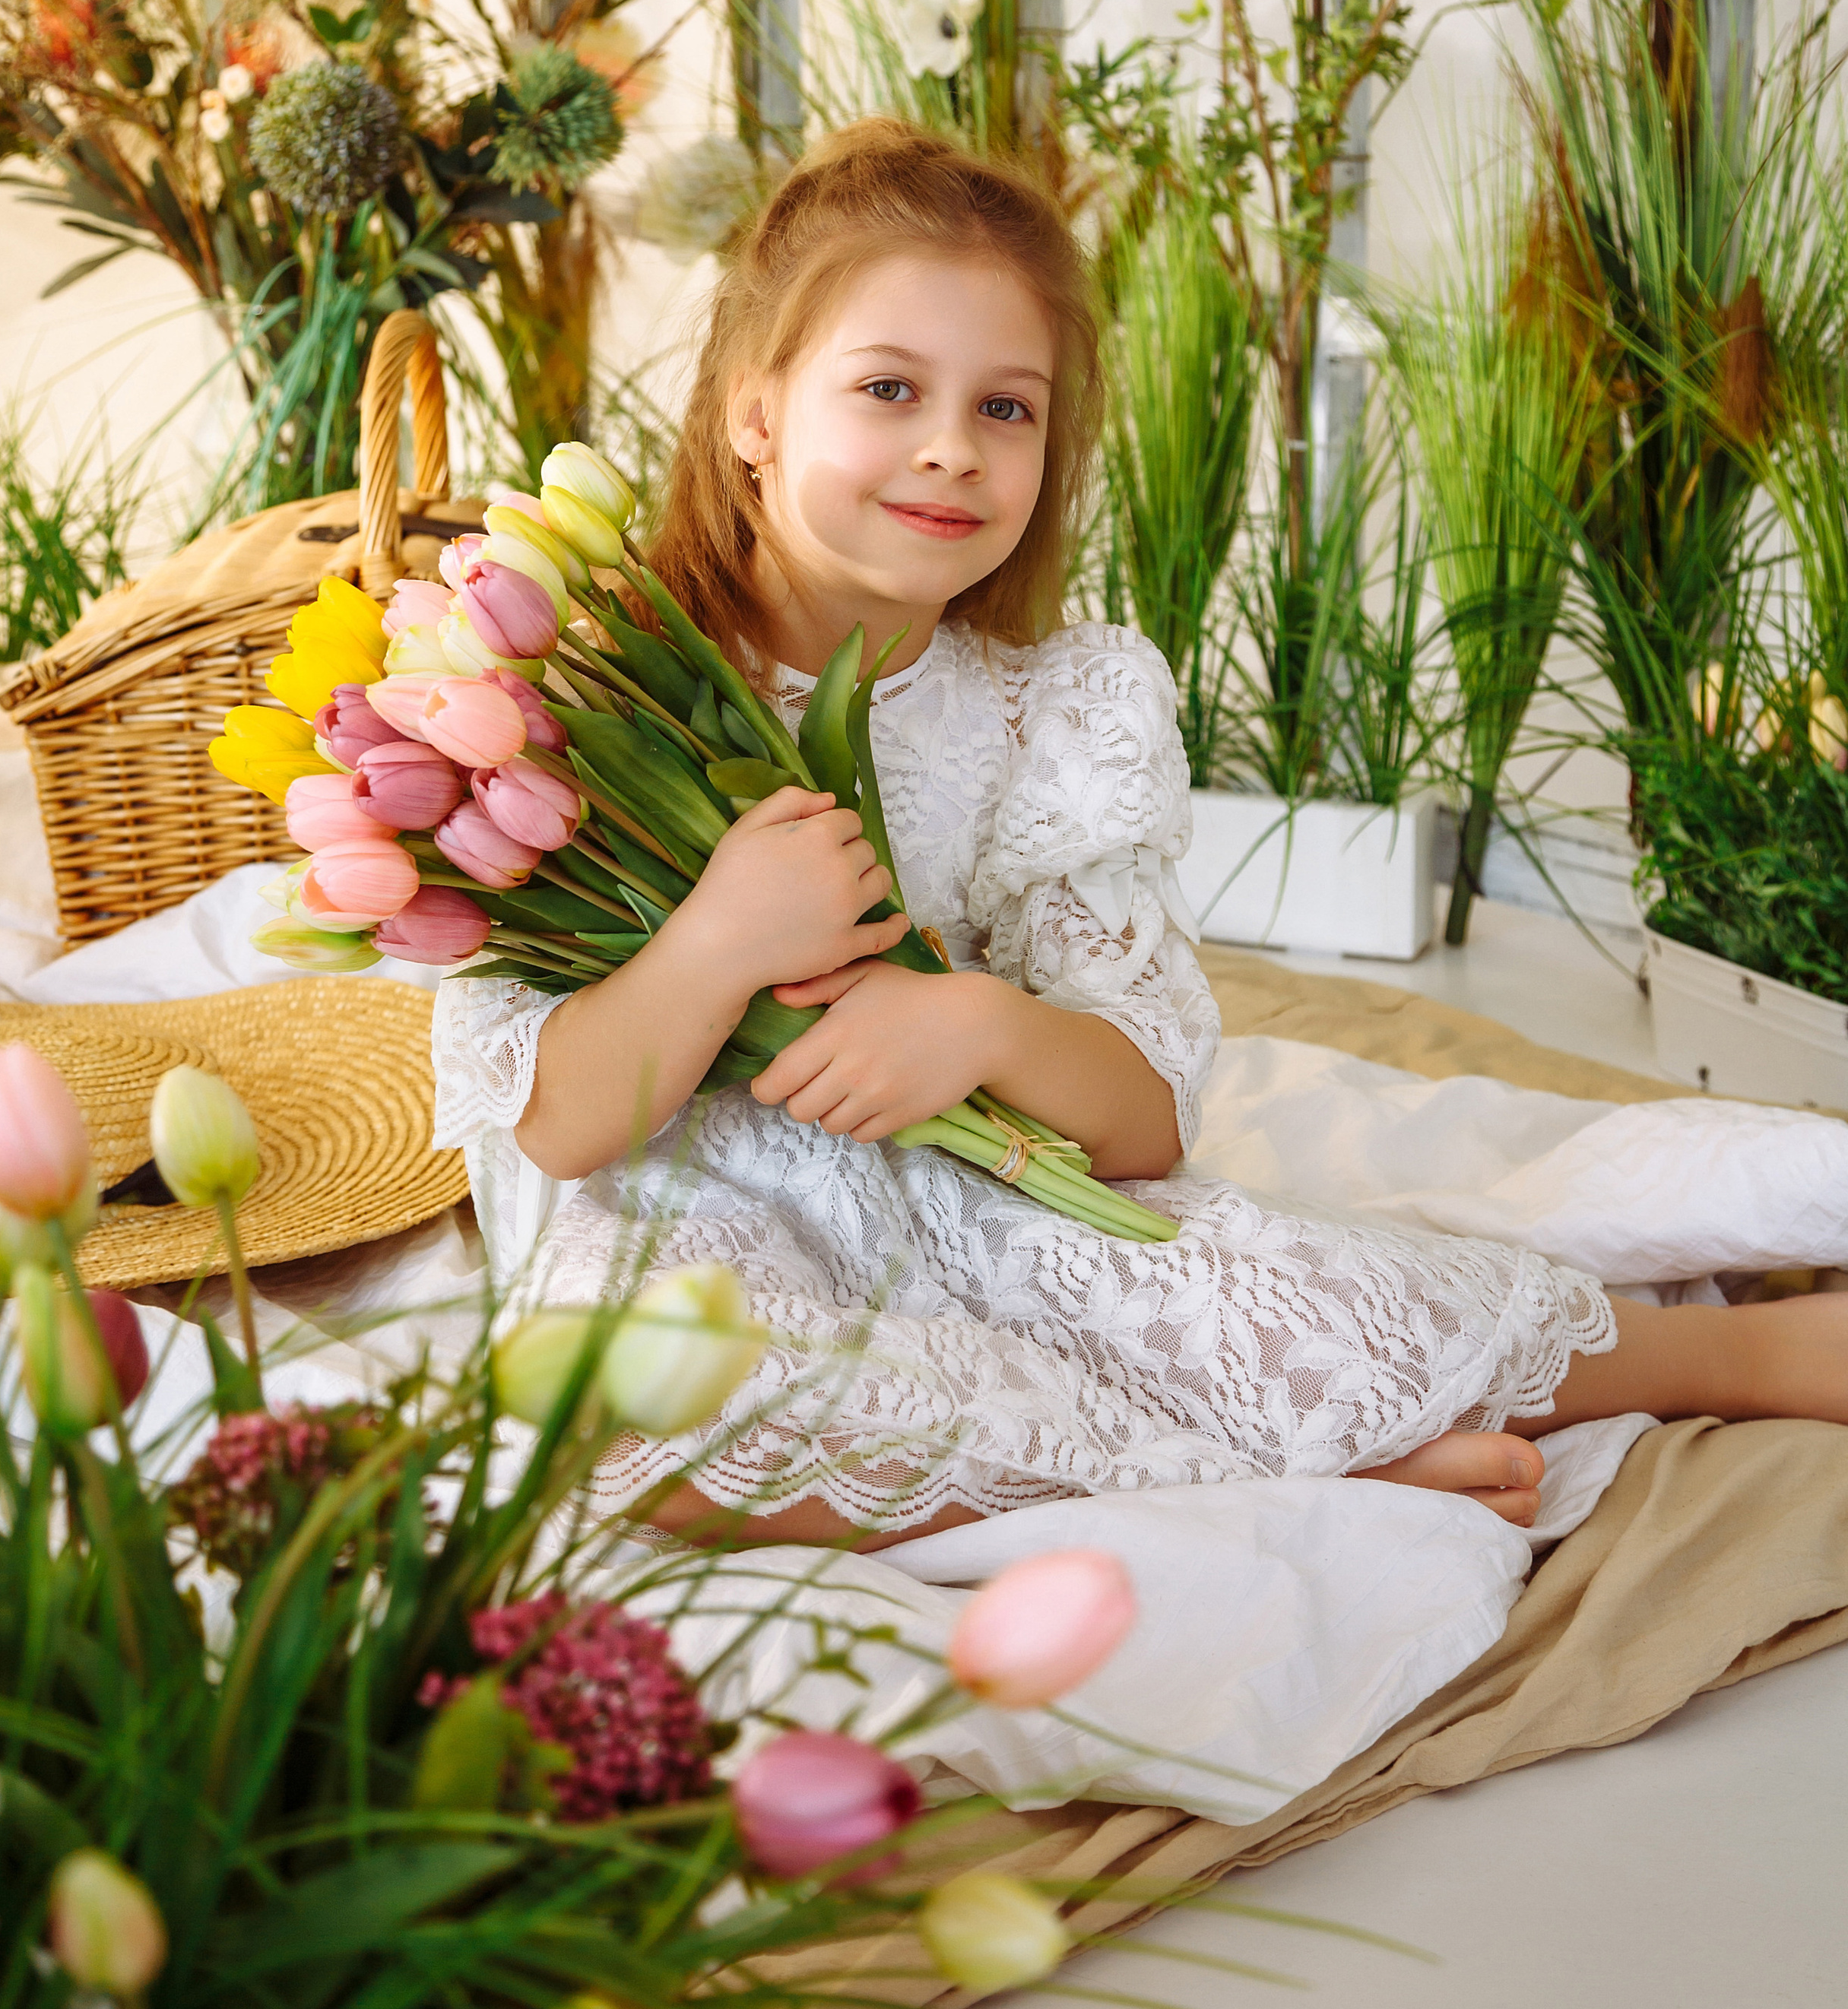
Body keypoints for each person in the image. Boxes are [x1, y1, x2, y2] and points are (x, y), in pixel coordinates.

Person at [433, 119, 1848, 1550]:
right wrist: (722, 940)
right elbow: (551, 1127)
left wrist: (977, 1024)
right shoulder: (576, 693)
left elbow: (1143, 1126)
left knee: (1272, 1293)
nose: (949, 447)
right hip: (700, 1231)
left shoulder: (1057, 711)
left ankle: (1728, 1357)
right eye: (887, 387)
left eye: (1008, 408)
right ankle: (1262, 1481)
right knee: (636, 1423)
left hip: (981, 1191)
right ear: (753, 412)